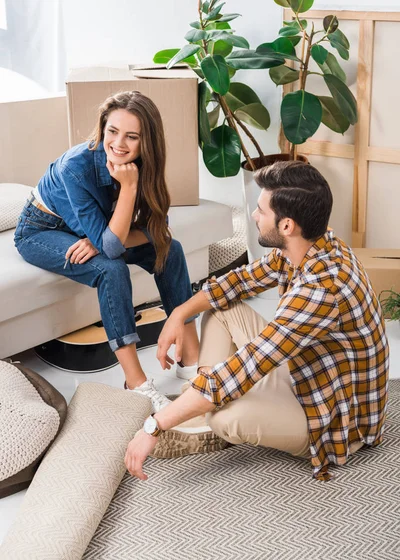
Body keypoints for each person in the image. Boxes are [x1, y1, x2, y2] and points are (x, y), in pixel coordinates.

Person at [124, 160, 390, 481]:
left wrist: (154, 425)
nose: (253, 215)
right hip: (310, 369)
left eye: (261, 211)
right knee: (223, 307)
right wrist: (178, 314)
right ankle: (205, 402)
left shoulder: (320, 290)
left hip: (334, 417)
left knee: (227, 418)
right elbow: (236, 282)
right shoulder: (313, 245)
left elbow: (247, 365)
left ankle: (208, 413)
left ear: (287, 225)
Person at [14, 90, 199, 411]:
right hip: (42, 229)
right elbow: (111, 251)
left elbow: (159, 224)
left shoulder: (145, 163)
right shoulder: (77, 167)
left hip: (93, 227)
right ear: (102, 128)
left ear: (147, 141)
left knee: (169, 249)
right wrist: (127, 190)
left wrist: (102, 238)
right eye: (112, 131)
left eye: (132, 136)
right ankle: (137, 384)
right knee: (109, 269)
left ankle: (193, 361)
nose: (119, 143)